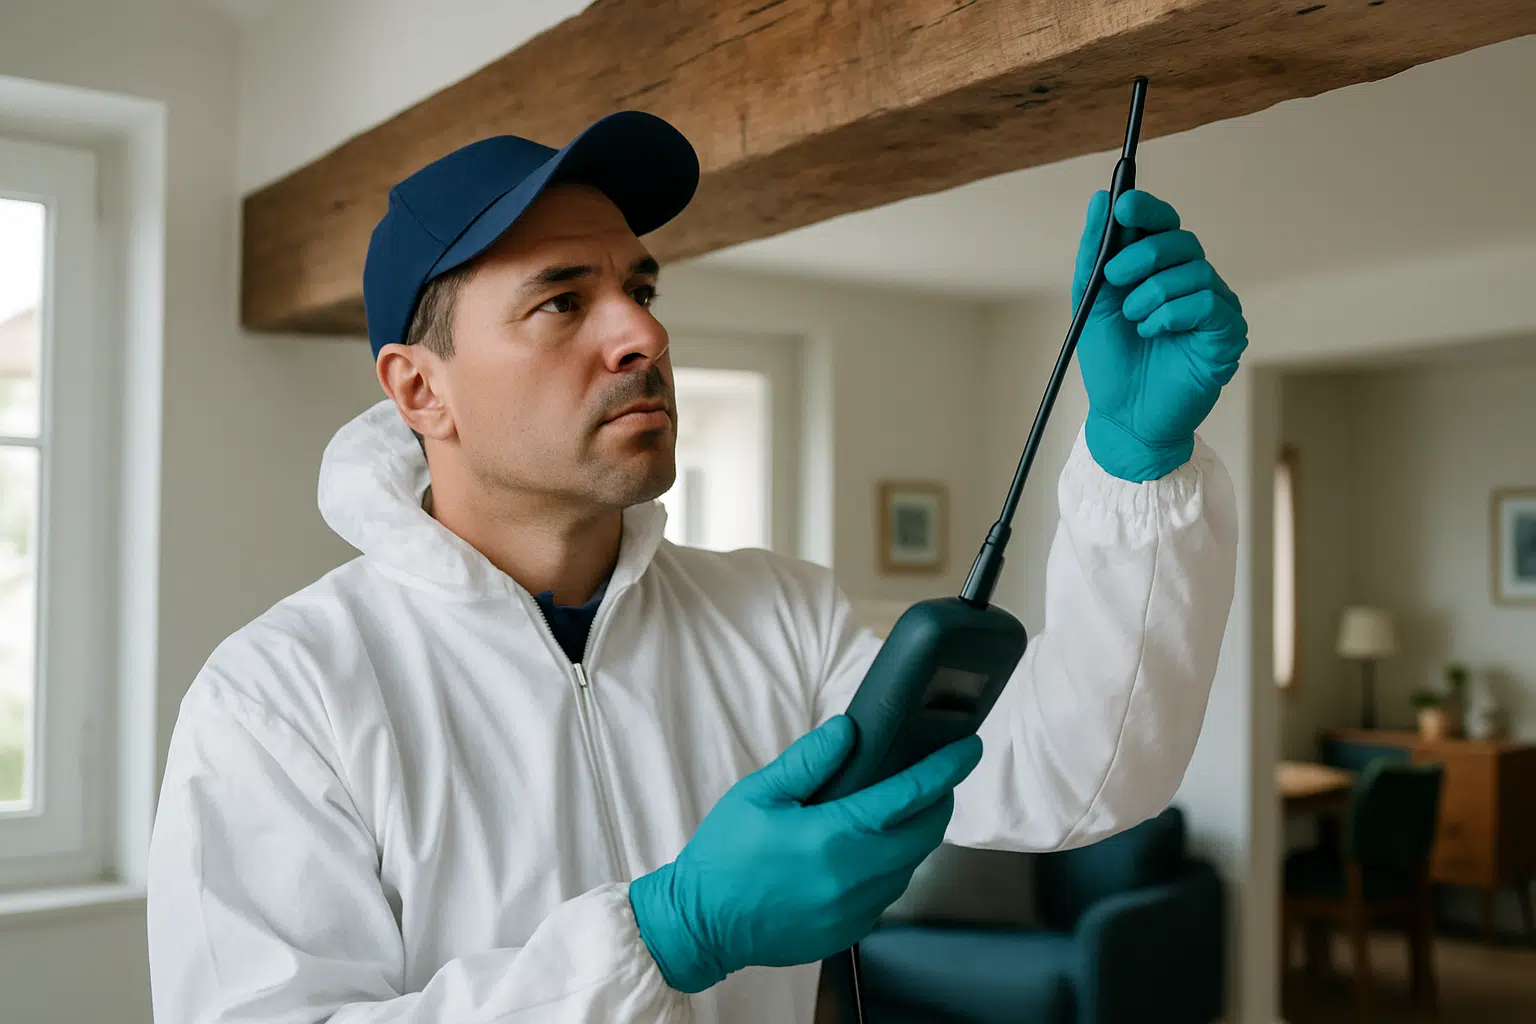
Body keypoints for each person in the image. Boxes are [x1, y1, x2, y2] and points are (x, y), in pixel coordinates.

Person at [147, 110, 1245, 1023]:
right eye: (563, 300)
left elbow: (1073, 776)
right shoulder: (279, 703)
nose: (641, 333)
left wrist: (1136, 465)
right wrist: (661, 936)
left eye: (643, 287)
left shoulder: (778, 615)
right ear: (420, 390)